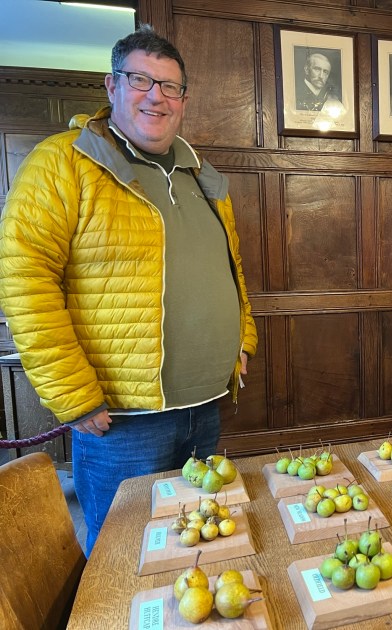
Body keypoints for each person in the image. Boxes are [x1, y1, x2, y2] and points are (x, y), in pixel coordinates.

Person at [0, 25, 258, 555]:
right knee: (123, 557)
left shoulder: (199, 173)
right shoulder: (63, 163)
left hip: (205, 408)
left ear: (183, 100)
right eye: (141, 80)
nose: (156, 96)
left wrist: (242, 340)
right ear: (111, 86)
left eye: (170, 86)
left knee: (193, 546)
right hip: (123, 422)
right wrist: (73, 395)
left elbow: (230, 268)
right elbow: (25, 281)